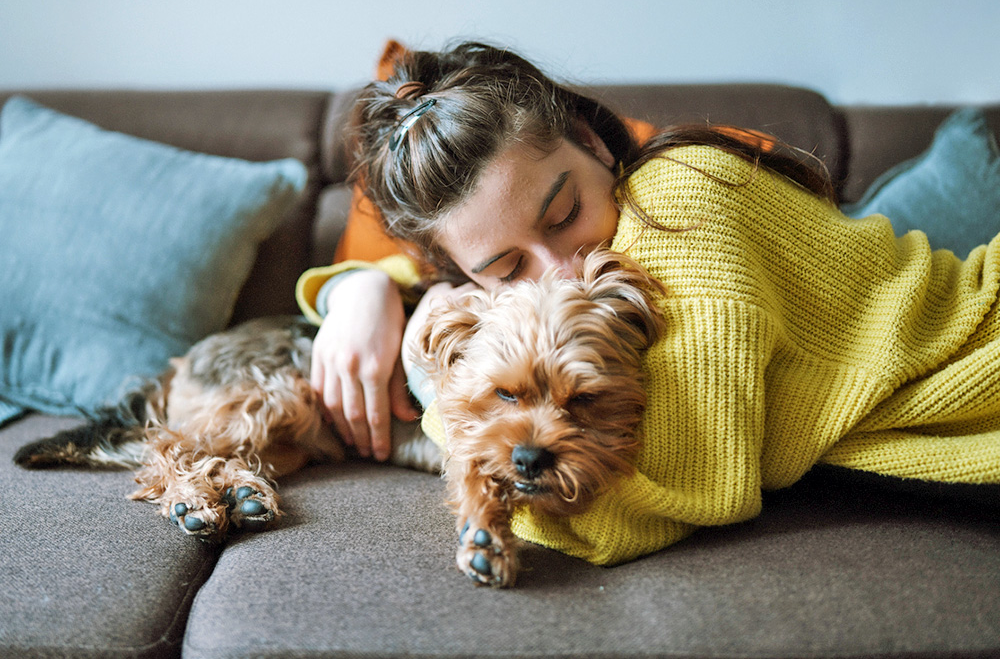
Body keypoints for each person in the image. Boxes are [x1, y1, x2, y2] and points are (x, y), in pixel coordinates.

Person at [297, 41, 1000, 565]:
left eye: (564, 213)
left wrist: (440, 391)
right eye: (509, 268)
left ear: (590, 142)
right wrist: (365, 285)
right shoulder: (578, 261)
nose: (562, 275)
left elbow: (638, 512)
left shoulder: (681, 201)